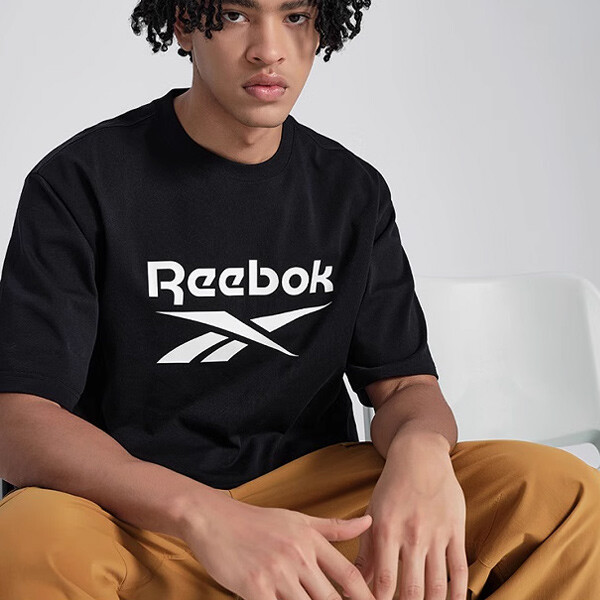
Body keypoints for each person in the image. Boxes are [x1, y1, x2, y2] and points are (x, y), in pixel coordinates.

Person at [0, 1, 599, 599]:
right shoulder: (80, 181)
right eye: (235, 15)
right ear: (183, 24)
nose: (269, 50)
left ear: (320, 29)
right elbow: (19, 417)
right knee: (28, 536)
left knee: (563, 494)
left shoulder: (351, 192)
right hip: (141, 518)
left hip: (318, 514)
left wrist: (422, 453)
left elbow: (405, 388)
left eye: (295, 17)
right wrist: (202, 514)